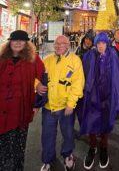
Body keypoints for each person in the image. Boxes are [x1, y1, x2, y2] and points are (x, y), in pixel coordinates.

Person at [77, 32, 119, 170]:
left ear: (107, 43)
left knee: (105, 123)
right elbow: (82, 73)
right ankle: (92, 147)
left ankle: (103, 147)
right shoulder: (89, 55)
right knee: (91, 122)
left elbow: (118, 74)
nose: (101, 45)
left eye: (103, 43)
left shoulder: (112, 55)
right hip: (92, 96)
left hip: (107, 97)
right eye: (99, 43)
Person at [0, 30, 45, 170]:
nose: (18, 43)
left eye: (22, 40)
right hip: (1, 110)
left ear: (26, 43)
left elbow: (44, 79)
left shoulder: (33, 59)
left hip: (20, 110)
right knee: (2, 148)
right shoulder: (1, 58)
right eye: (15, 40)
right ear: (10, 42)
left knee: (17, 149)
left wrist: (37, 104)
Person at [40, 35, 85, 171]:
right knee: (47, 136)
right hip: (49, 107)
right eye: (56, 44)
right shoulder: (47, 60)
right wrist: (37, 85)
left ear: (67, 45)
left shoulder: (75, 60)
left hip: (66, 107)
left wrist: (71, 104)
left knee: (68, 134)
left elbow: (78, 84)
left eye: (62, 44)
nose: (58, 46)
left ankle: (67, 155)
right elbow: (37, 77)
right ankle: (48, 160)